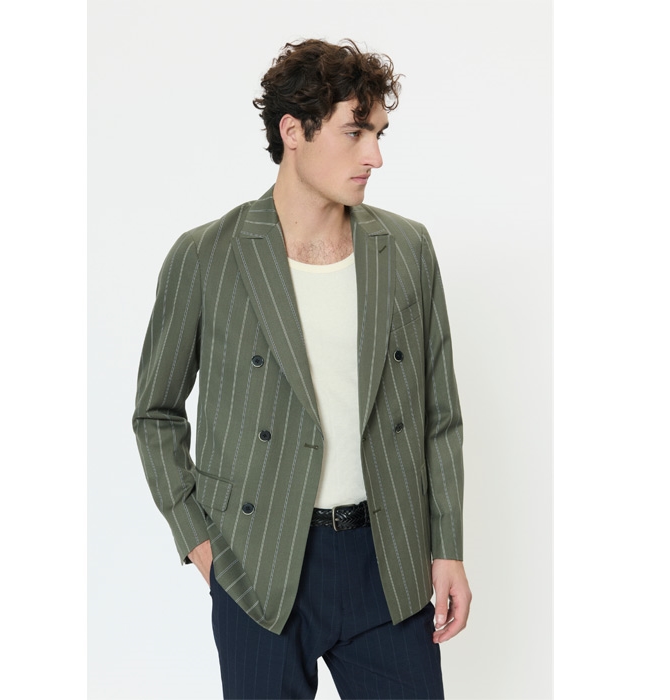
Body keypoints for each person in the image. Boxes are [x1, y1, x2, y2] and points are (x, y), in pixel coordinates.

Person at [133, 37, 471, 699]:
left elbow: (440, 417)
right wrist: (201, 543)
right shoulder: (207, 256)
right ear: (294, 131)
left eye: (378, 133)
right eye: (355, 132)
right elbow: (156, 413)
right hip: (258, 565)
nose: (375, 155)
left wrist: (447, 546)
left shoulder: (406, 248)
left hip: (389, 563)